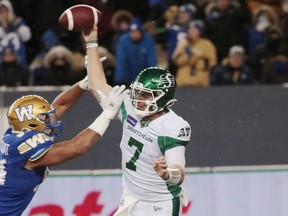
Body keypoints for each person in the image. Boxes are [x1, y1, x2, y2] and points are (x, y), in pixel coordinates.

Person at [83, 25, 191, 215]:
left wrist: (167, 174)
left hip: (159, 203)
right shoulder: (129, 107)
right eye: (138, 93)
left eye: (146, 95)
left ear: (163, 97)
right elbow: (97, 85)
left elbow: (178, 171)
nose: (139, 100)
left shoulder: (173, 126)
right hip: (130, 197)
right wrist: (91, 43)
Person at [0, 76, 127, 215]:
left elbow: (59, 106)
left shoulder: (14, 133)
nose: (51, 121)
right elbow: (77, 148)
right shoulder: (26, 148)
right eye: (46, 118)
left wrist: (81, 85)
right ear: (31, 123)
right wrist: (108, 114)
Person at [172, 20, 217, 87]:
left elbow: (211, 63)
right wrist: (190, 56)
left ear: (200, 31)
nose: (191, 31)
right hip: (182, 83)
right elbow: (176, 61)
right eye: (190, 29)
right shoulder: (183, 43)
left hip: (200, 84)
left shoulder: (207, 44)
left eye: (194, 29)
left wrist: (196, 58)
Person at [113, 17, 157, 86]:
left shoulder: (148, 40)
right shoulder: (124, 40)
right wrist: (119, 80)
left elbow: (151, 60)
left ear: (141, 32)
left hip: (144, 78)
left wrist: (153, 77)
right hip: (128, 78)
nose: (135, 34)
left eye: (137, 32)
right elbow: (121, 61)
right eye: (132, 32)